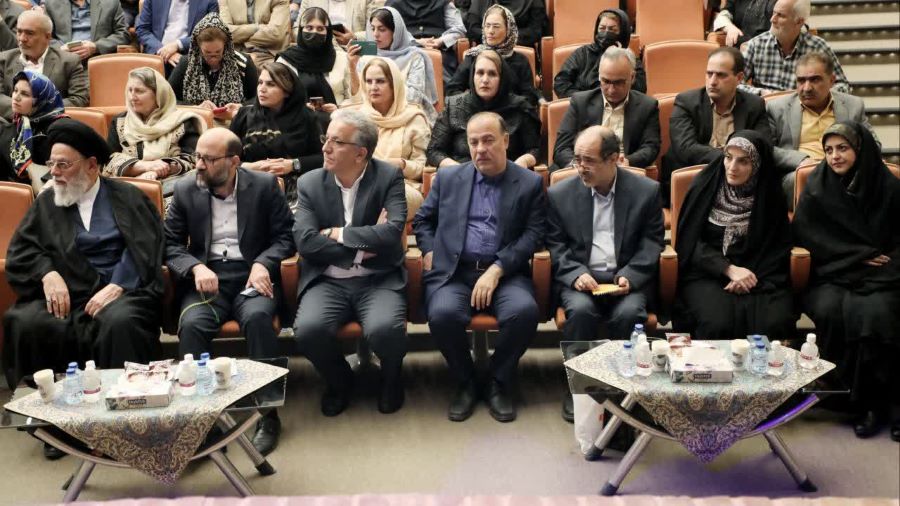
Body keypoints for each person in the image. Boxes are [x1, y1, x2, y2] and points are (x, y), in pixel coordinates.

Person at [2, 117, 164, 415]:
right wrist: (47, 273)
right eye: (51, 164)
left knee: (121, 322)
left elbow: (146, 247)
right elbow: (22, 251)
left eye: (63, 165)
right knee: (26, 321)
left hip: (121, 292)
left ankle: (125, 411)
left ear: (91, 165)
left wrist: (118, 285)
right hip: (68, 295)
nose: (54, 172)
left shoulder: (127, 197)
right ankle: (49, 414)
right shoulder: (48, 201)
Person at [164, 127, 295, 456]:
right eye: (198, 157)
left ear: (234, 161)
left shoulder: (264, 186)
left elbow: (286, 237)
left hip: (252, 276)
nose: (199, 165)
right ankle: (201, 420)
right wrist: (195, 267)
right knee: (192, 325)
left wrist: (264, 263)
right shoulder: (185, 189)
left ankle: (267, 415)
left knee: (258, 320)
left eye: (209, 159)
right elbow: (169, 244)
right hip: (208, 278)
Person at [413, 111, 546, 423]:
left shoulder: (528, 183)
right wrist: (429, 250)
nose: (480, 149)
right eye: (473, 142)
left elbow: (534, 235)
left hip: (505, 273)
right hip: (455, 271)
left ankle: (498, 380)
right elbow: (423, 220)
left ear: (506, 140)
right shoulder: (449, 178)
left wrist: (497, 269)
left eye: (488, 140)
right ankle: (466, 381)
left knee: (523, 312)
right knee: (442, 314)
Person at [293, 109, 408, 417]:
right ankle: (340, 382)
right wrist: (358, 251)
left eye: (336, 142)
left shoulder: (388, 176)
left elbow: (392, 232)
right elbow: (305, 242)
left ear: (360, 153)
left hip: (377, 278)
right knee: (308, 330)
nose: (325, 148)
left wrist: (336, 233)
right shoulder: (309, 183)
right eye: (326, 139)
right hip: (328, 280)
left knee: (385, 329)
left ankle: (391, 380)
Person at [547, 126, 664, 422]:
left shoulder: (646, 191)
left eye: (588, 160)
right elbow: (555, 244)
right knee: (581, 312)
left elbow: (652, 242)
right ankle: (581, 389)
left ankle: (622, 391)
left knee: (629, 315)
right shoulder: (560, 194)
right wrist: (575, 273)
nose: (580, 167)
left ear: (614, 159)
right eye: (577, 159)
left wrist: (631, 275)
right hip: (581, 280)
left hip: (625, 280)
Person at [793, 122, 899, 441]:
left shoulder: (889, 187)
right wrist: (857, 255)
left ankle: (886, 404)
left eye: (843, 148)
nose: (835, 156)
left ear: (860, 150)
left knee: (876, 313)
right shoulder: (818, 186)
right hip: (832, 273)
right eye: (828, 150)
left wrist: (875, 261)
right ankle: (857, 402)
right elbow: (807, 236)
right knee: (830, 309)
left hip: (884, 274)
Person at [674, 130, 794, 339]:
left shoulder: (770, 195)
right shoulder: (705, 186)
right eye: (728, 158)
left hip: (760, 275)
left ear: (757, 165)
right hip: (708, 273)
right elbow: (689, 242)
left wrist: (747, 277)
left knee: (774, 322)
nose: (732, 167)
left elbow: (777, 248)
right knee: (718, 323)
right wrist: (728, 269)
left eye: (743, 161)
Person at [663, 47, 770, 204]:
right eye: (709, 74)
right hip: (693, 180)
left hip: (739, 184)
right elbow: (685, 149)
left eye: (721, 75)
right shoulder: (686, 102)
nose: (712, 81)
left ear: (739, 78)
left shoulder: (754, 105)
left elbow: (764, 146)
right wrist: (731, 157)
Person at [767, 51, 877, 202]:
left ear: (831, 80)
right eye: (801, 81)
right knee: (808, 178)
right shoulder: (777, 108)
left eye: (815, 80)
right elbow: (768, 149)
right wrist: (802, 160)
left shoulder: (852, 105)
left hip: (845, 170)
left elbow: (873, 143)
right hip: (800, 174)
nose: (806, 88)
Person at [228, 61, 324, 211]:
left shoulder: (306, 117)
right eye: (260, 83)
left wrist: (292, 165)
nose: (262, 89)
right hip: (249, 185)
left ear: (287, 91)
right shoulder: (243, 116)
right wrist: (250, 167)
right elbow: (224, 159)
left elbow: (322, 158)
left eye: (271, 84)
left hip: (296, 189)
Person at [427, 49, 539, 170]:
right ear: (472, 76)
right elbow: (434, 151)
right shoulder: (454, 106)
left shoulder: (520, 107)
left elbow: (534, 149)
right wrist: (458, 170)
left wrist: (523, 161)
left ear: (502, 78)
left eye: (492, 74)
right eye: (480, 73)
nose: (485, 80)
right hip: (462, 174)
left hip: (506, 174)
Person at [105, 67, 206, 200]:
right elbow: (108, 161)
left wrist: (158, 171)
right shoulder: (120, 121)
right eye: (130, 90)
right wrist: (144, 167)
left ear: (158, 94)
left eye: (139, 91)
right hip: (130, 186)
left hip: (172, 187)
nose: (132, 97)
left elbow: (193, 159)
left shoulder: (182, 121)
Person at [553, 47, 659, 171]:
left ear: (632, 77)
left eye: (619, 83)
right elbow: (561, 148)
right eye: (606, 81)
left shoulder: (647, 106)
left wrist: (628, 161)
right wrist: (579, 166)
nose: (611, 90)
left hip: (625, 172)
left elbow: (651, 147)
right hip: (583, 171)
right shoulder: (580, 102)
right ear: (599, 77)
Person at [350, 57, 429, 218]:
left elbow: (424, 168)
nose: (373, 87)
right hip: (362, 184)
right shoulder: (357, 119)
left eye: (380, 81)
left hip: (404, 186)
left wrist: (402, 164)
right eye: (369, 81)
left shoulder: (414, 118)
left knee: (381, 195)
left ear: (394, 84)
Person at [739, 0, 849, 96]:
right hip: (766, 107)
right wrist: (762, 93)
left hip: (803, 108)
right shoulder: (756, 44)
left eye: (781, 15)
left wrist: (814, 95)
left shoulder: (818, 47)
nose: (772, 19)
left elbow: (842, 86)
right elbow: (736, 83)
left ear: (799, 22)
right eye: (774, 13)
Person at [0, 10, 88, 121]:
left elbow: (79, 99)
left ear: (47, 37)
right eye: (19, 32)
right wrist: (22, 109)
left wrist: (39, 109)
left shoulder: (69, 61)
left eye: (29, 33)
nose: (22, 38)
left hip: (51, 124)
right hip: (11, 123)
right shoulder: (3, 60)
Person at [446, 4, 540, 106]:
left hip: (510, 112)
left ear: (508, 29)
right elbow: (452, 90)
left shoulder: (521, 61)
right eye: (487, 26)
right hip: (477, 111)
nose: (490, 31)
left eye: (496, 27)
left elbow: (530, 97)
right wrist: (473, 103)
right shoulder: (473, 57)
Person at [357, 7, 438, 123]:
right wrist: (352, 66)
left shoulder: (414, 57)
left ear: (396, 32)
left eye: (382, 29)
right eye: (373, 29)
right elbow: (359, 96)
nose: (375, 34)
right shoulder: (366, 58)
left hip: (406, 115)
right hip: (371, 115)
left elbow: (414, 97)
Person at [168, 13, 259, 115]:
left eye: (218, 52)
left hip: (234, 120)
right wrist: (196, 108)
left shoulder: (243, 63)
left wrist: (241, 106)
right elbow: (168, 99)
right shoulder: (187, 64)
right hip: (196, 119)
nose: (213, 58)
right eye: (207, 53)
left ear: (226, 45)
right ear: (198, 46)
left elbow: (258, 99)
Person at [553, 8, 646, 99]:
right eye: (602, 28)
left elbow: (640, 89)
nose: (606, 33)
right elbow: (561, 83)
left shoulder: (630, 58)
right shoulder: (582, 54)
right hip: (584, 105)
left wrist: (620, 56)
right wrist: (584, 100)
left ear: (622, 33)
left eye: (612, 30)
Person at [0, 71, 65, 193]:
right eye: (15, 91)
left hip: (50, 195)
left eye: (25, 94)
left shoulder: (60, 130)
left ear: (41, 99)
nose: (16, 97)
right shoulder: (7, 130)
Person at [276, 7, 351, 110]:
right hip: (298, 117)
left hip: (337, 117)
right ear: (301, 30)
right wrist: (299, 107)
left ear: (328, 32)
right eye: (309, 28)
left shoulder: (342, 58)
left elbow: (353, 98)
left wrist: (338, 108)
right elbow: (277, 98)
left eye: (320, 29)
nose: (314, 33)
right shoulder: (285, 61)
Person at [385, 0, 467, 80]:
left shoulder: (444, 2)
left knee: (436, 62)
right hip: (405, 49)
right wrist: (416, 42)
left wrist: (440, 41)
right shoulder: (393, 3)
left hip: (439, 50)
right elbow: (387, 30)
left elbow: (459, 28)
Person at [136, 0, 218, 68]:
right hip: (157, 51)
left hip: (187, 55)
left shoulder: (209, 2)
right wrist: (163, 51)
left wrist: (178, 44)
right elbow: (142, 30)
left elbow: (210, 33)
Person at [44, 0, 130, 60]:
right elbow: (44, 36)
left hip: (97, 58)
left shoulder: (110, 2)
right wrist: (60, 49)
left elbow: (123, 33)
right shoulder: (52, 3)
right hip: (63, 61)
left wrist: (96, 47)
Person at [219, 0, 291, 66]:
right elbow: (224, 32)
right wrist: (257, 28)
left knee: (269, 71)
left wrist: (240, 38)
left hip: (268, 55)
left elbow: (276, 34)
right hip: (237, 54)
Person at [463, 0, 546, 49]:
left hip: (520, 51)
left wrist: (504, 38)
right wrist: (493, 38)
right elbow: (472, 29)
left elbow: (535, 31)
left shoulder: (533, 2)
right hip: (485, 51)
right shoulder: (480, 2)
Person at [296, 0, 383, 45]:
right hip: (316, 49)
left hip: (352, 50)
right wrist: (313, 36)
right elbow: (297, 28)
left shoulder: (366, 1)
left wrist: (355, 37)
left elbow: (377, 31)